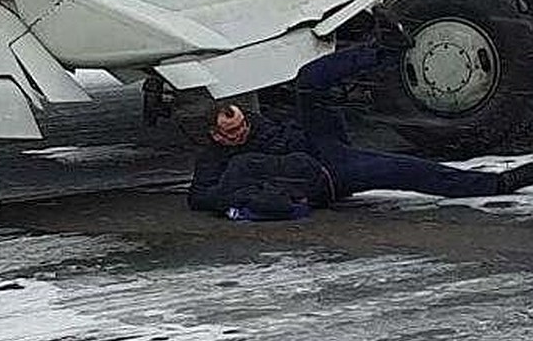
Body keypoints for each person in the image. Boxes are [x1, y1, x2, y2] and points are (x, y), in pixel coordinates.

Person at [188, 88, 533, 221]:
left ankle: (498, 183)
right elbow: (201, 197)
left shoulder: (262, 127)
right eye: (232, 132)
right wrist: (244, 194)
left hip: (325, 157)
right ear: (216, 134)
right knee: (404, 171)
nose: (241, 133)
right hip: (322, 180)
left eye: (242, 124)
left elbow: (295, 136)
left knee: (312, 89)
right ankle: (498, 183)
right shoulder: (216, 159)